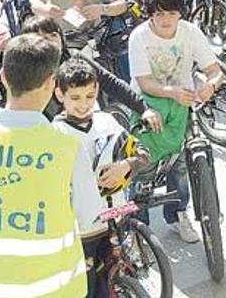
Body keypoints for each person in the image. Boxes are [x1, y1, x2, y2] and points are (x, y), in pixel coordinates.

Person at [0, 34, 93, 298]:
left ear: (3, 76)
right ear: (51, 84)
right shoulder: (68, 147)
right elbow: (87, 215)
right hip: (57, 291)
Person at [128, 0, 224, 242]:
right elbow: (145, 82)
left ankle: (179, 213)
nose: (165, 19)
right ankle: (137, 226)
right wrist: (172, 92)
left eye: (171, 13)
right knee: (143, 165)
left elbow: (215, 70)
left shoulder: (190, 32)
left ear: (181, 13)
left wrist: (209, 86)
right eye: (158, 13)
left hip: (182, 104)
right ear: (149, 14)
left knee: (181, 165)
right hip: (147, 103)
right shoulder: (139, 36)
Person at [51, 58, 152, 295]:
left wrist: (126, 165)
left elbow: (142, 153)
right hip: (80, 229)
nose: (83, 104)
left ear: (97, 89)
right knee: (88, 287)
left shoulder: (107, 122)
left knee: (115, 278)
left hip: (114, 219)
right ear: (59, 94)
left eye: (89, 96)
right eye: (74, 98)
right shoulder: (55, 134)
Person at [21, 15, 163, 127]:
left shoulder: (74, 58)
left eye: (52, 35)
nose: (48, 42)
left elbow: (109, 82)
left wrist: (143, 108)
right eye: (40, 38)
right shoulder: (24, 72)